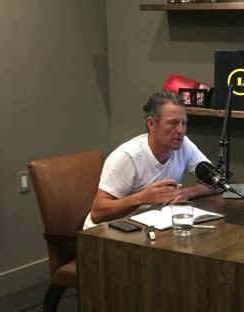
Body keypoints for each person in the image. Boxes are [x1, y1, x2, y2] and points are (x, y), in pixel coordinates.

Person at [84, 90, 215, 228]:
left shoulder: (184, 145)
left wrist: (187, 193)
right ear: (151, 124)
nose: (181, 130)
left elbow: (219, 180)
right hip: (104, 236)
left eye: (184, 123)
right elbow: (97, 213)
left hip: (146, 228)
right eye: (173, 123)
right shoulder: (127, 157)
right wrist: (142, 198)